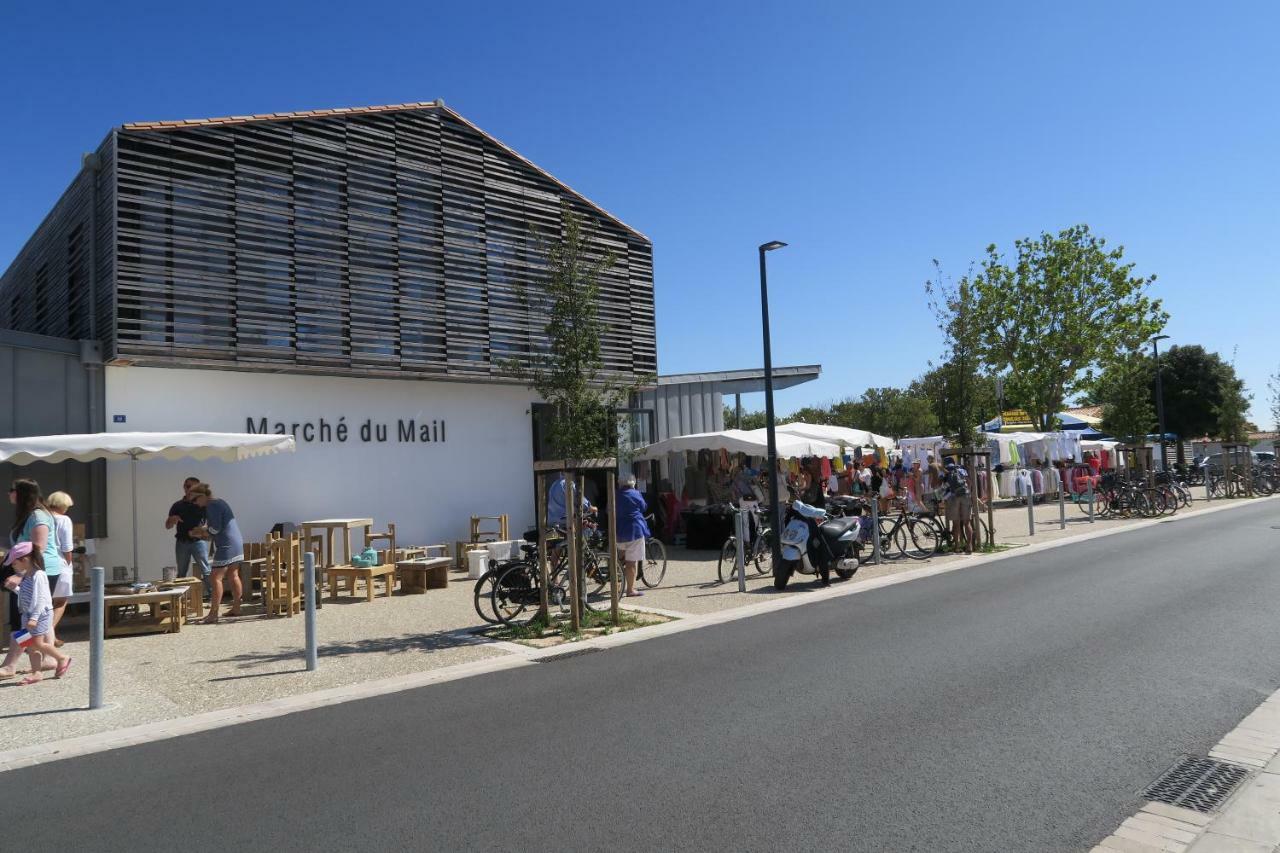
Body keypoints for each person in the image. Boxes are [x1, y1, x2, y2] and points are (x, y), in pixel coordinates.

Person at [0, 479, 67, 678]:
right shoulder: (28, 515)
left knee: (23, 620)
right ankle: (50, 660)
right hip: (31, 571)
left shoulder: (38, 515)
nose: (9, 494)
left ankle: (10, 664)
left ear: (22, 494)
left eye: (12, 491)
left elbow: (39, 547)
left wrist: (20, 576)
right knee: (39, 622)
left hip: (37, 572)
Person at [5, 541, 71, 685]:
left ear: (25, 560)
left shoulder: (38, 575)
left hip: (39, 615)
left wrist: (34, 618)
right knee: (28, 644)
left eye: (14, 563)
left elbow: (41, 599)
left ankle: (61, 658)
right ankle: (37, 672)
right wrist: (14, 589)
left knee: (37, 643)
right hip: (26, 614)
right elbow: (26, 594)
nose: (13, 566)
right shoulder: (27, 576)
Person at [188, 484, 244, 624]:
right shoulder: (220, 501)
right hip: (236, 542)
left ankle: (213, 614)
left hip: (226, 544)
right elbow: (220, 524)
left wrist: (199, 533)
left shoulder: (211, 505)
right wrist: (202, 529)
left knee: (215, 578)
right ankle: (237, 607)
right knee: (233, 575)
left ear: (203, 496)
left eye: (195, 500)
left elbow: (215, 529)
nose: (195, 504)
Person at [166, 476, 210, 599]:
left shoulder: (203, 504)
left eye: (191, 486)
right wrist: (171, 520)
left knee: (206, 570)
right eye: (186, 486)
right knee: (181, 572)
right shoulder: (177, 505)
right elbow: (167, 525)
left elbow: (211, 522)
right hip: (182, 542)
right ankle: (180, 599)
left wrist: (201, 531)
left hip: (198, 542)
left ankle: (213, 596)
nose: (188, 489)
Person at [45, 491, 76, 646]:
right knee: (61, 601)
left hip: (41, 563)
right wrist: (69, 562)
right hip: (59, 562)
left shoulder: (41, 517)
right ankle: (48, 633)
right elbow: (67, 546)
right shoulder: (64, 520)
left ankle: (50, 635)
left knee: (45, 602)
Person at [614, 474, 650, 597]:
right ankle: (630, 590)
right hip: (634, 530)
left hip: (618, 531)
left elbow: (609, 510)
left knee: (618, 559)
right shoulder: (635, 493)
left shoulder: (614, 494)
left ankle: (616, 585)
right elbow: (644, 507)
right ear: (632, 484)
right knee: (631, 563)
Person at [944, 461, 972, 551]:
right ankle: (969, 546)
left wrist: (941, 498)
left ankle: (957, 546)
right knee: (967, 523)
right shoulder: (961, 470)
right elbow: (969, 482)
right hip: (965, 495)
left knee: (956, 524)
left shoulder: (946, 471)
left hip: (953, 497)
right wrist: (969, 492)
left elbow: (943, 488)